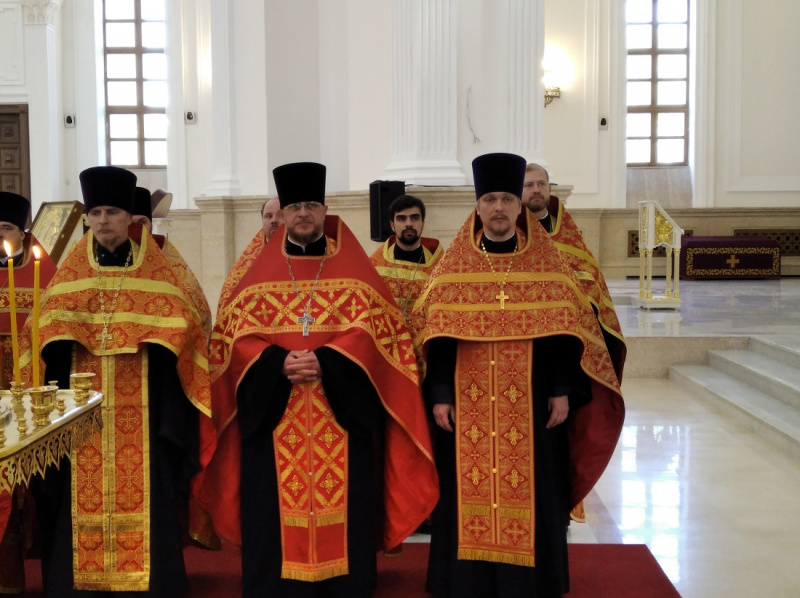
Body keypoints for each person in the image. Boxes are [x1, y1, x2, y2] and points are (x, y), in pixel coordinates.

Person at [196, 161, 438, 598]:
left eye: (311, 205)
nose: (303, 213)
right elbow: (231, 343)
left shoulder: (358, 275)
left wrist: (328, 360)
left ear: (325, 211)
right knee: (270, 520)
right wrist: (276, 362)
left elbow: (383, 338)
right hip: (275, 419)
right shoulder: (254, 279)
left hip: (342, 416)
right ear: (284, 215)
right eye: (295, 207)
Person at [418, 153, 624, 598]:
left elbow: (567, 331)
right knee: (464, 493)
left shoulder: (548, 263)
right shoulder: (454, 267)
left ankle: (531, 583)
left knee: (536, 489)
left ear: (518, 206)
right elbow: (438, 336)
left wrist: (563, 390)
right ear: (478, 207)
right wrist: (440, 392)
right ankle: (466, 584)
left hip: (532, 403)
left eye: (507, 199)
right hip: (466, 405)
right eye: (490, 199)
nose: (498, 208)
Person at [28, 166, 214, 596]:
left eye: (112, 212)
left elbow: (187, 331)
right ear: (87, 219)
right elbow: (42, 338)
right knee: (73, 495)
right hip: (78, 418)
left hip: (147, 415)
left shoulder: (157, 276)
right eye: (96, 213)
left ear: (130, 218)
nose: (103, 221)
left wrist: (156, 342)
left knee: (152, 492)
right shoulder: (70, 277)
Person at [0, 192, 57, 594]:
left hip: (25, 396)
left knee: (19, 490)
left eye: (4, 228)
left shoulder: (45, 275)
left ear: (23, 232)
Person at [523, 163, 626, 381]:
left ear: (549, 188)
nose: (536, 190)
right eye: (528, 185)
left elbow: (589, 277)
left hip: (567, 331)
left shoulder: (566, 233)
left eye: (541, 184)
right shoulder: (511, 232)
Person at [131, 186, 213, 339]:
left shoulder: (164, 250)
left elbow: (197, 306)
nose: (137, 229)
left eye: (142, 222)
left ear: (150, 224)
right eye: (130, 223)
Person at [369, 194, 442, 357]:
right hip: (387, 350)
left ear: (423, 222)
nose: (408, 223)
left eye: (414, 218)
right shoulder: (375, 266)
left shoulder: (440, 267)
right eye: (401, 218)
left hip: (427, 351)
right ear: (392, 225)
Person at [215, 197, 282, 318]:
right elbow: (229, 301)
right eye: (268, 216)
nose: (274, 220)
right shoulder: (248, 262)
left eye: (280, 215)